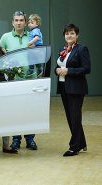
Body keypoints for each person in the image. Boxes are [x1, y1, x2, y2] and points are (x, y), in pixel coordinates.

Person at [0, 10, 38, 151]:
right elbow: (1, 50)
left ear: (26, 22)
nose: (19, 22)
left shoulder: (32, 36)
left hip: (30, 79)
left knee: (30, 111)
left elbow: (39, 54)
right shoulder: (5, 37)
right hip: (14, 80)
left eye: (21, 20)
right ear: (12, 22)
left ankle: (30, 139)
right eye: (16, 20)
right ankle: (15, 140)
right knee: (15, 111)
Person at [55, 24, 91, 157]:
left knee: (75, 117)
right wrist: (56, 70)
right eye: (67, 34)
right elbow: (58, 66)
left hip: (76, 88)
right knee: (71, 118)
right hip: (64, 87)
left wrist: (69, 71)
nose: (69, 36)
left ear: (77, 35)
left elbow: (86, 68)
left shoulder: (82, 49)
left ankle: (74, 147)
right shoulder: (63, 49)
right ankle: (81, 142)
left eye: (72, 33)